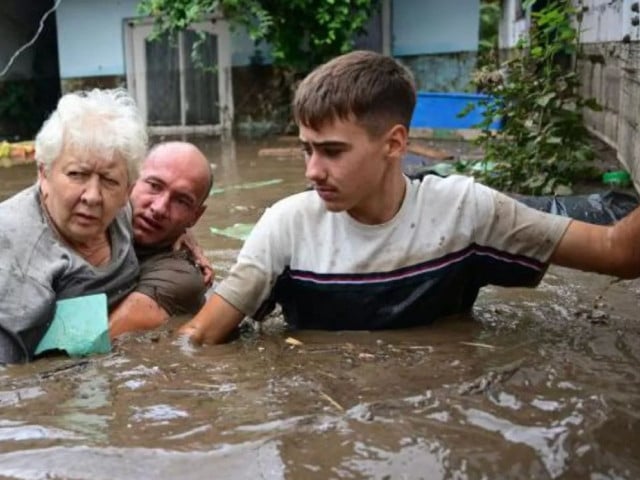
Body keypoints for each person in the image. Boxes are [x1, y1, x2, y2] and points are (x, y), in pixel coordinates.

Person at [178, 50, 640, 345]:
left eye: (332, 151)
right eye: (307, 149)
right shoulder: (286, 225)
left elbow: (618, 253)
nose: (312, 170)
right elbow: (198, 337)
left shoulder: (468, 210)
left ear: (395, 144)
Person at [0, 88, 147, 363]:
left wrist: (184, 236)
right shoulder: (15, 248)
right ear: (44, 174)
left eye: (109, 180)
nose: (92, 196)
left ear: (128, 189)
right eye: (77, 175)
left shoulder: (124, 211)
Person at [108, 142, 214, 338]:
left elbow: (99, 341)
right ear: (131, 180)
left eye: (181, 201)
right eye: (155, 186)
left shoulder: (181, 278)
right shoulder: (99, 208)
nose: (159, 208)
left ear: (195, 216)